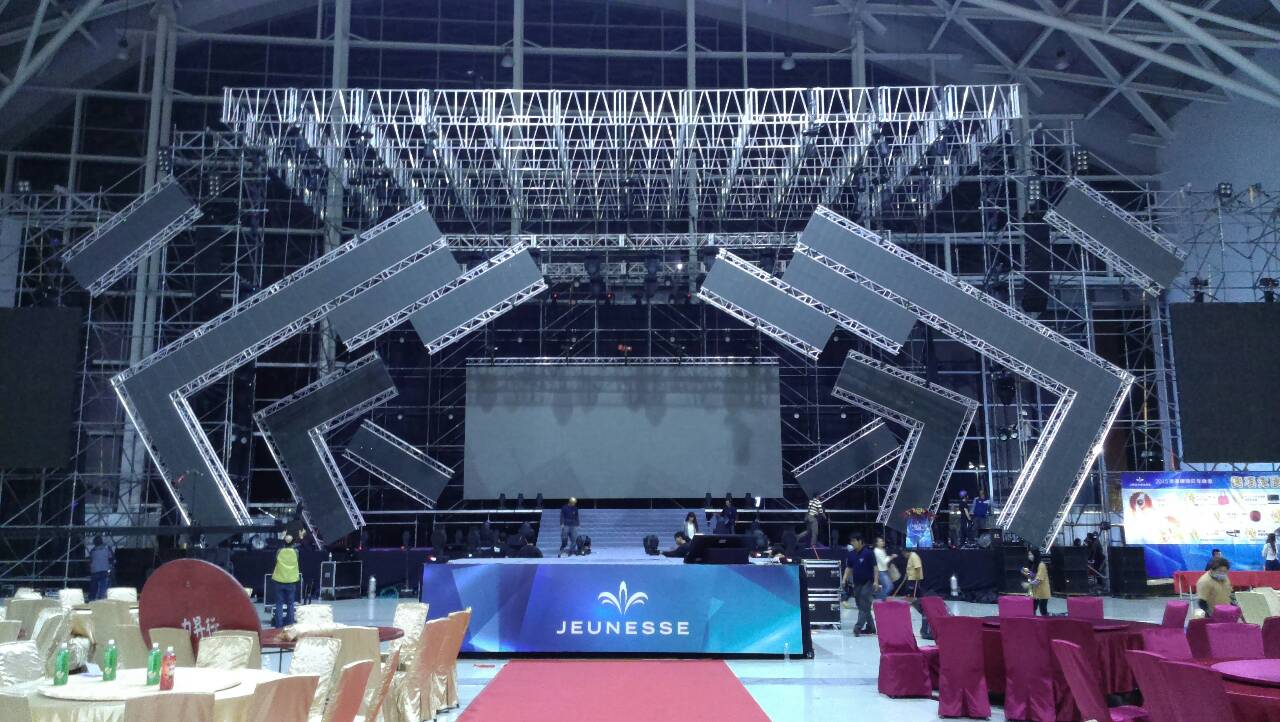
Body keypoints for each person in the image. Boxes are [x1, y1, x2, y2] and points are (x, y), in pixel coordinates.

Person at [843, 533, 877, 636]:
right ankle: (871, 627)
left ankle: (858, 627)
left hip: (868, 582)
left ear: (860, 541)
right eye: (851, 541)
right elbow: (849, 567)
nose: (852, 543)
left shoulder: (868, 553)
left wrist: (876, 581)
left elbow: (875, 568)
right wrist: (844, 579)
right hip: (857, 583)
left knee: (864, 603)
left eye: (854, 541)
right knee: (862, 605)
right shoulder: (851, 554)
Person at [271, 533, 301, 628]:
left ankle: (278, 626)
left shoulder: (279, 551)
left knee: (279, 604)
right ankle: (290, 625)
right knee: (290, 604)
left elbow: (276, 560)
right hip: (291, 581)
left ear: (284, 542)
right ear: (293, 543)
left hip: (279, 580)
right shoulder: (296, 552)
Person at [1023, 548, 1051, 616]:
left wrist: (1028, 584)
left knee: (1043, 611)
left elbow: (1038, 580)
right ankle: (1034, 621)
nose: (1029, 556)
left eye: (1031, 554)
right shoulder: (1034, 564)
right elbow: (1033, 575)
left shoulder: (1041, 565)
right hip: (1035, 592)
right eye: (1028, 555)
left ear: (1035, 555)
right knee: (1032, 609)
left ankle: (1047, 621)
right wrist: (1026, 572)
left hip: (1043, 592)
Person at [88, 535, 114, 601]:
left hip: (95, 570)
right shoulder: (107, 549)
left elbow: (90, 560)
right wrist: (111, 567)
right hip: (104, 569)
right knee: (103, 585)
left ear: (95, 542)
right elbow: (111, 558)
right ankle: (101, 598)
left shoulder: (93, 551)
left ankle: (92, 598)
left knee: (94, 586)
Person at [873, 536, 896, 601]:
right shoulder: (877, 551)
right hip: (881, 571)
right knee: (889, 587)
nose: (883, 542)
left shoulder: (882, 550)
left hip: (884, 570)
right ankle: (878, 599)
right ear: (877, 543)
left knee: (886, 587)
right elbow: (884, 562)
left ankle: (880, 599)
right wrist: (891, 557)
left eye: (883, 541)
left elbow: (884, 559)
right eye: (881, 541)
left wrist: (889, 557)